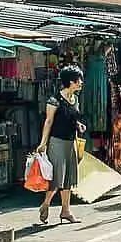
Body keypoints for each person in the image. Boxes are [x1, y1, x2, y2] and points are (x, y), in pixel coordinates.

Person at [37, 65, 86, 224]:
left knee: (69, 177)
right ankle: (46, 204)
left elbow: (73, 117)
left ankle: (66, 210)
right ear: (71, 81)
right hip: (56, 142)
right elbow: (48, 121)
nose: (81, 83)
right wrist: (43, 143)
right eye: (79, 80)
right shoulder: (54, 100)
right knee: (57, 177)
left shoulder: (75, 99)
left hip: (70, 141)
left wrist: (78, 125)